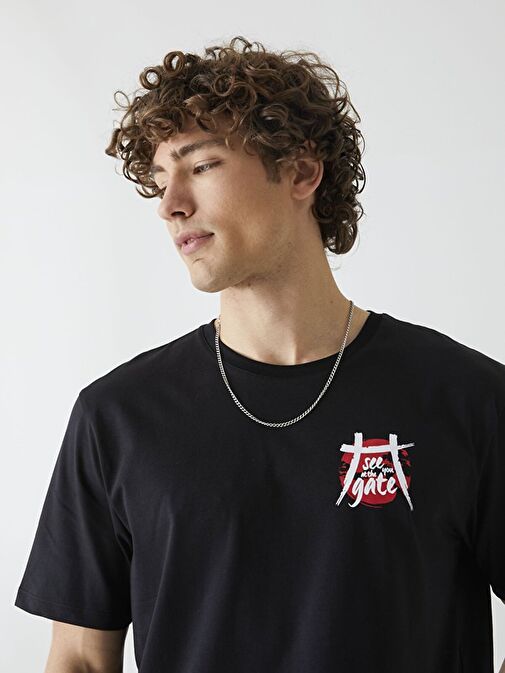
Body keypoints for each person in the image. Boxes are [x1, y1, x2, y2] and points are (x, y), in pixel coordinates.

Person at [14, 35, 505, 673]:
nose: (170, 205)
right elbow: (80, 658)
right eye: (160, 180)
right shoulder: (117, 417)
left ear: (301, 173)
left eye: (201, 166)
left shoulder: (468, 398)